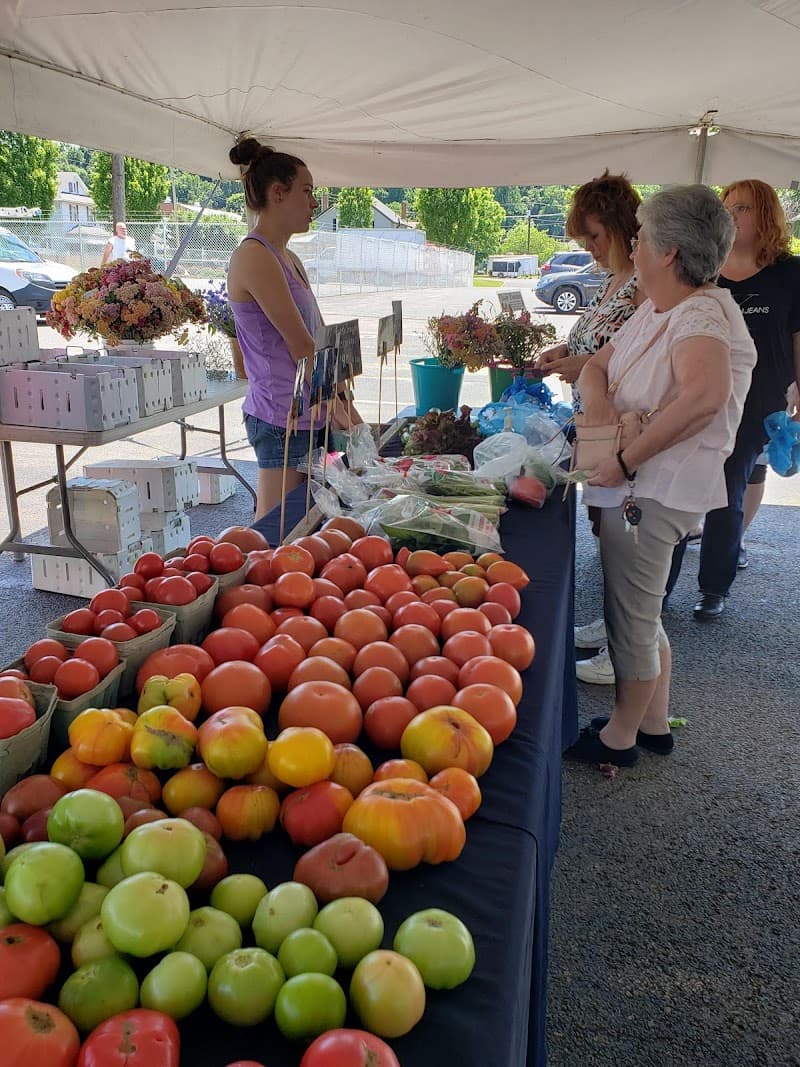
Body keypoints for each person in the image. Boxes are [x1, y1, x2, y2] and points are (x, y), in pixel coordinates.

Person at [563, 185, 756, 767]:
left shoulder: (699, 312)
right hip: (638, 485)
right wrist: (599, 409)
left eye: (644, 236)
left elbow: (705, 396)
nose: (636, 244)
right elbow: (597, 364)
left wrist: (624, 458)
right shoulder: (662, 305)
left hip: (652, 489)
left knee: (632, 618)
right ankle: (650, 722)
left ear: (669, 251)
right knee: (639, 607)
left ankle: (622, 735)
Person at [535, 170, 643, 685]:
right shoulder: (611, 281)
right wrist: (568, 354)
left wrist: (586, 366)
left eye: (596, 238)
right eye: (584, 240)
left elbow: (641, 356)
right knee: (607, 529)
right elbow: (595, 344)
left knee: (629, 535)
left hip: (625, 427)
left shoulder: (646, 283)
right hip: (594, 425)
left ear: (624, 227)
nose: (591, 250)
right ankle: (615, 622)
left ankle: (629, 642)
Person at [226, 138, 362, 520]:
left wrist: (341, 396)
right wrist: (341, 404)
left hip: (309, 411)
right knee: (276, 530)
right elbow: (301, 344)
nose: (314, 203)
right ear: (278, 193)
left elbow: (317, 335)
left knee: (306, 525)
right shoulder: (255, 257)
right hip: (281, 418)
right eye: (307, 192)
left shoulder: (288, 256)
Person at [690, 180, 800, 619]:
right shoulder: (703, 269)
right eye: (727, 207)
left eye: (743, 208)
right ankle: (657, 589)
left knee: (728, 486)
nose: (732, 216)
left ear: (767, 215)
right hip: (700, 393)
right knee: (687, 484)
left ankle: (714, 586)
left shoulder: (790, 274)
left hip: (760, 399)